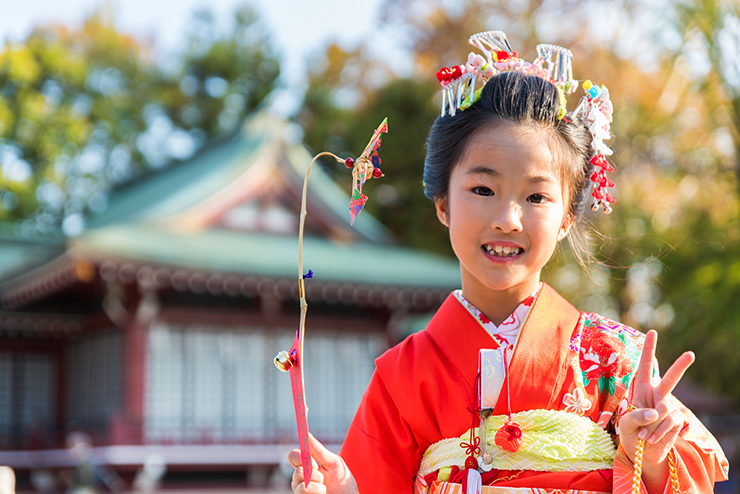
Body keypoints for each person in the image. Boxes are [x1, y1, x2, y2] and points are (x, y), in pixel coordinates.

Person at [287, 32, 729, 494]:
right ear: (442, 203)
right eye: (482, 189)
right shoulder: (402, 375)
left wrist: (651, 459)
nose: (507, 219)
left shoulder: (618, 361)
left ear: (566, 218)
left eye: (536, 196)